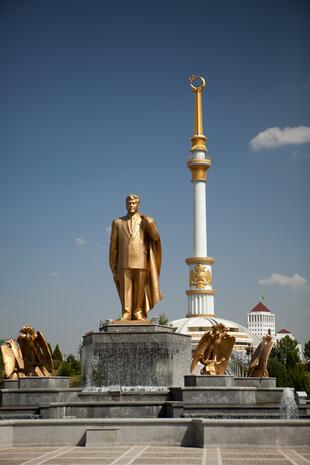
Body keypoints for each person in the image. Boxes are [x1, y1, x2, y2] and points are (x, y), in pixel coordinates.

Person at [109, 194, 162, 321]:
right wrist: (112, 263)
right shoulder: (118, 222)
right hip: (123, 261)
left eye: (134, 203)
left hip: (141, 260)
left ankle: (138, 311)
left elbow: (155, 238)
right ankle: (126, 312)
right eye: (129, 203)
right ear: (125, 205)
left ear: (138, 205)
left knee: (139, 289)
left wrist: (151, 224)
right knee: (125, 289)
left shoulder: (146, 221)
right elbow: (113, 244)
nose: (131, 205)